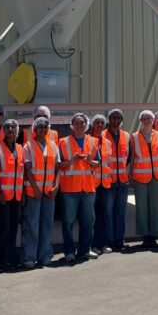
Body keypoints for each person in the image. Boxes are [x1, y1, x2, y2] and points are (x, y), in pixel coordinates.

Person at [58, 112, 101, 264]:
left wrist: (91, 161)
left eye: (82, 123)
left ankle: (85, 250)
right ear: (72, 126)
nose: (80, 126)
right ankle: (69, 251)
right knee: (68, 221)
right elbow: (59, 164)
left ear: (86, 125)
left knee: (88, 221)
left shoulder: (93, 141)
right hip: (70, 189)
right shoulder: (63, 142)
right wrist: (70, 161)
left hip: (88, 188)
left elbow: (98, 163)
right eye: (77, 123)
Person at [21, 116, 59, 268]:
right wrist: (36, 189)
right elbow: (28, 171)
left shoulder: (53, 146)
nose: (43, 129)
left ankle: (45, 255)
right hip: (34, 193)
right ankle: (29, 257)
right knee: (32, 225)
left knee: (47, 225)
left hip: (49, 193)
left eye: (45, 127)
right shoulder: (28, 146)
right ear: (35, 130)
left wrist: (56, 187)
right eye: (40, 127)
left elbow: (57, 169)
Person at [0, 118, 24, 269]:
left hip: (16, 197)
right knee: (1, 230)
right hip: (3, 197)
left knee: (13, 229)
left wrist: (22, 192)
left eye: (13, 128)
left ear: (17, 131)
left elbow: (22, 173)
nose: (10, 130)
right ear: (3, 131)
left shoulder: (20, 148)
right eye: (7, 128)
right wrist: (0, 192)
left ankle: (11, 258)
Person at [130, 110, 158, 248]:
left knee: (155, 206)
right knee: (141, 206)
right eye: (144, 118)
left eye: (149, 118)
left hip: (156, 175)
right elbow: (131, 157)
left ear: (153, 119)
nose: (147, 120)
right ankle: (145, 236)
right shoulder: (134, 136)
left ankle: (154, 235)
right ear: (140, 121)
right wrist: (130, 174)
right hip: (140, 176)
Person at [103, 108, 130, 250]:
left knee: (120, 213)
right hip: (108, 181)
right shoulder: (102, 135)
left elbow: (129, 157)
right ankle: (108, 240)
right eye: (113, 117)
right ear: (109, 119)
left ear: (122, 120)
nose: (115, 120)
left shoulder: (126, 136)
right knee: (107, 213)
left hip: (123, 181)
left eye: (118, 117)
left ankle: (119, 240)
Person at [88, 114, 113, 254]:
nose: (99, 125)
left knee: (103, 215)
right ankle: (92, 245)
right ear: (92, 124)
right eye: (97, 122)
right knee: (92, 216)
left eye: (102, 123)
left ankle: (103, 244)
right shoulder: (88, 140)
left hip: (104, 184)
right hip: (91, 184)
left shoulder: (107, 142)